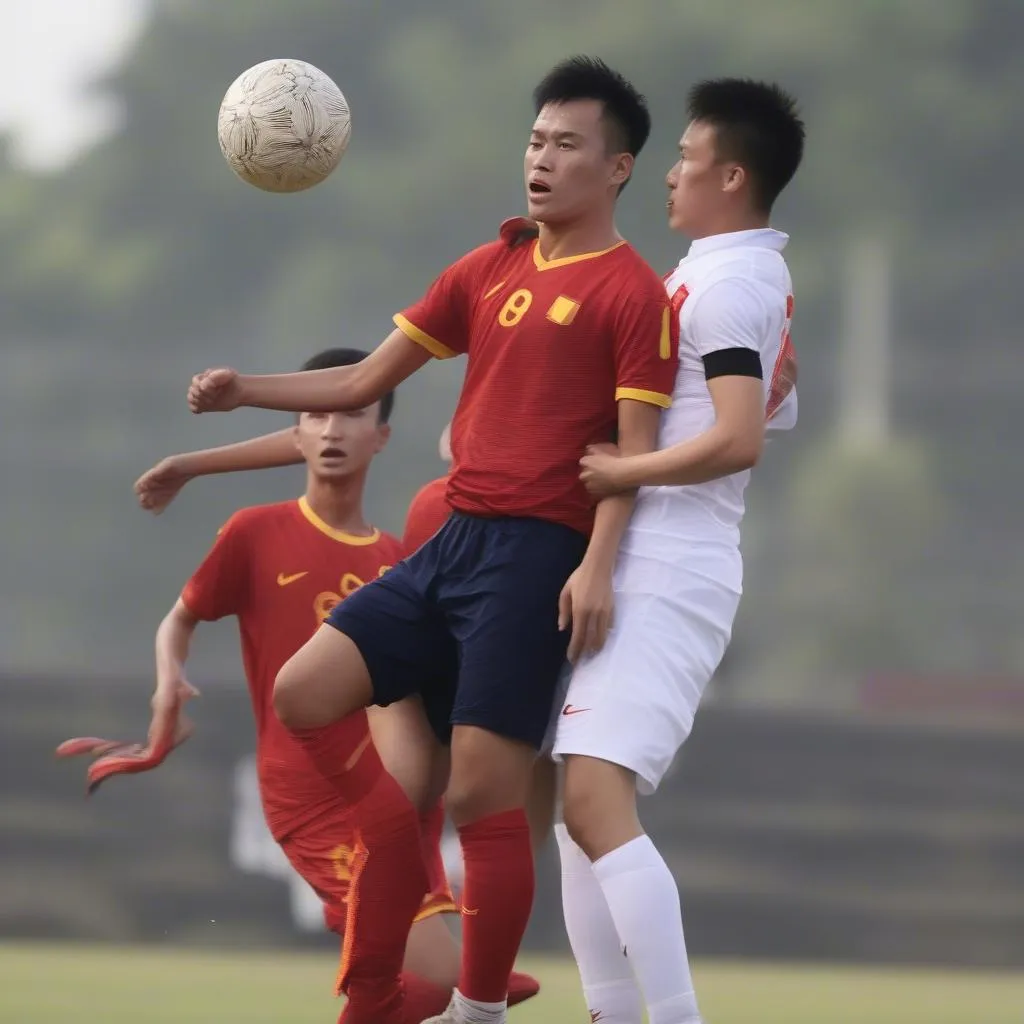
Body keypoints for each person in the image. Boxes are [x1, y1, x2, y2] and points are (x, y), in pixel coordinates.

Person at [183, 55, 678, 1024]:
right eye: (535, 140)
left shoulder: (631, 294)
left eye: (565, 145)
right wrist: (248, 390)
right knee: (304, 691)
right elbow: (364, 378)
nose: (539, 160)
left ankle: (477, 1010)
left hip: (533, 558)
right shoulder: (487, 266)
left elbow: (631, 454)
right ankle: (396, 865)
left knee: (482, 801)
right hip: (449, 544)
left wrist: (594, 565)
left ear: (615, 169)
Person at [140, 348, 538, 1023]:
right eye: (315, 416)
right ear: (297, 430)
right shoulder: (254, 533)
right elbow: (179, 620)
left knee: (439, 986)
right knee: (447, 986)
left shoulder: (398, 562)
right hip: (309, 793)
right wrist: (167, 684)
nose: (330, 431)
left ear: (382, 436)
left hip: (395, 790)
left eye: (352, 414)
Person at [551, 78, 805, 1024]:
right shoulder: (726, 272)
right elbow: (774, 404)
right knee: (579, 817)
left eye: (687, 159)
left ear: (731, 176)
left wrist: (623, 476)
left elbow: (738, 435)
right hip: (653, 549)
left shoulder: (731, 283)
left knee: (592, 802)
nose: (670, 175)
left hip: (670, 559)